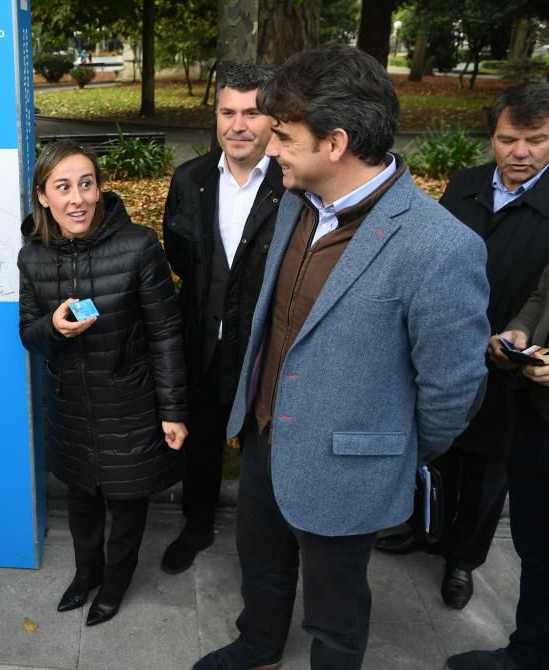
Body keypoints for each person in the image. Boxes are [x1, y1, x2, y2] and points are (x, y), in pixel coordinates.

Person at [194, 45, 490, 670]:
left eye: (283, 135)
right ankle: (259, 645)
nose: (270, 148)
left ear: (335, 142)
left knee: (337, 605)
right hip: (264, 434)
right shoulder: (295, 203)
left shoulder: (439, 248)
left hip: (349, 464)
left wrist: (386, 448)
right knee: (261, 561)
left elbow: (453, 389)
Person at [375, 81, 549, 611]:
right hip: (447, 348)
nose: (520, 153)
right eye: (507, 139)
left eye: (536, 140)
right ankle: (421, 529)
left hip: (512, 367)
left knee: (486, 473)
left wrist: (520, 342)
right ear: (491, 138)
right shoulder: (465, 185)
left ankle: (461, 560)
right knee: (437, 446)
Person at [18, 140, 188, 626]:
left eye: (86, 184)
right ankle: (85, 574)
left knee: (127, 504)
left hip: (130, 404)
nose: (78, 198)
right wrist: (54, 326)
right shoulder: (32, 257)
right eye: (63, 186)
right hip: (71, 405)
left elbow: (166, 334)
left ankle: (115, 583)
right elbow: (29, 336)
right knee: (81, 500)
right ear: (43, 196)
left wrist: (173, 411)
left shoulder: (138, 246)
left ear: (99, 188)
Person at [160, 62, 283, 574]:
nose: (238, 125)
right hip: (204, 341)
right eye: (227, 111)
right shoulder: (190, 180)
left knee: (266, 449)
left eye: (252, 113)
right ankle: (197, 526)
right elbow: (180, 256)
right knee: (203, 442)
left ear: (273, 119)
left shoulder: (292, 184)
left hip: (267, 348)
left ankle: (267, 545)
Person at [447, 261, 549, 670]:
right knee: (538, 552)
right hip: (536, 419)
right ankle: (529, 654)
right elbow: (543, 295)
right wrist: (519, 332)